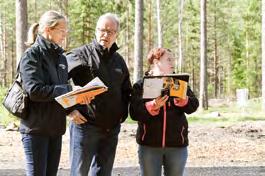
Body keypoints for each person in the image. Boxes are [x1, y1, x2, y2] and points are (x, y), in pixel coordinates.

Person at [19, 10, 90, 176]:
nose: (65, 35)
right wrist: (71, 89)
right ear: (48, 30)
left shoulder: (61, 58)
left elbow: (59, 93)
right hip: (35, 130)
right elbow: (34, 91)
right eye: (62, 30)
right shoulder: (31, 56)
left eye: (66, 31)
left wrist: (73, 105)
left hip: (55, 129)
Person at [66, 13, 132, 176]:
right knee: (79, 173)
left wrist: (120, 117)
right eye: (102, 30)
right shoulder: (80, 55)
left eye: (110, 31)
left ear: (117, 34)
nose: (105, 35)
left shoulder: (119, 60)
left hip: (111, 129)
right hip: (85, 126)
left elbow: (126, 90)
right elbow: (58, 81)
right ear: (96, 31)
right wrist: (69, 110)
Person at [129, 48, 199, 176]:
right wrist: (153, 105)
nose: (173, 62)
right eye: (169, 59)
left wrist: (184, 101)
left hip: (177, 145)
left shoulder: (179, 83)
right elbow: (134, 113)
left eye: (173, 59)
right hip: (149, 145)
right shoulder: (140, 85)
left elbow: (194, 105)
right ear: (156, 62)